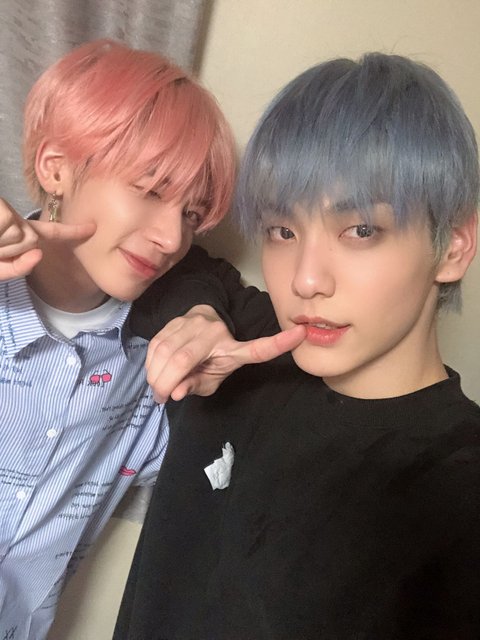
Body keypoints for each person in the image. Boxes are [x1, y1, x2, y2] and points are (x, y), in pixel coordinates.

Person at [115, 52, 480, 639]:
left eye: (361, 230)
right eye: (283, 231)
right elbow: (181, 271)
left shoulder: (458, 487)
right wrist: (201, 316)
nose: (306, 280)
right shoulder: (250, 348)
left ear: (454, 246)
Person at [0, 39, 302, 640]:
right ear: (57, 168)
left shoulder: (159, 357)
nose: (171, 237)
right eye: (151, 188)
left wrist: (203, 305)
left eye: (191, 214)